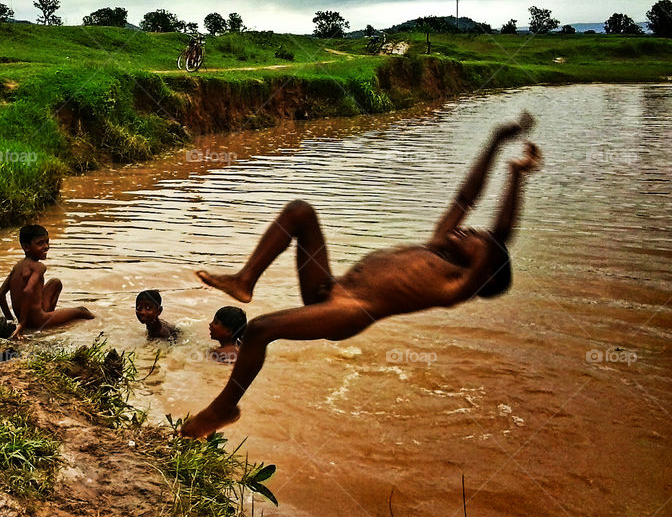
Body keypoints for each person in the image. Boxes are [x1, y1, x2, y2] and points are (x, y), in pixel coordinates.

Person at [181, 114, 540, 438]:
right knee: (300, 212)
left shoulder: (456, 285)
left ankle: (223, 408)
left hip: (348, 312)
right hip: (330, 288)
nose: (469, 231)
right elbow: (466, 197)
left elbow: (502, 233)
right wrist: (495, 139)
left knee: (259, 329)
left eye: (477, 239)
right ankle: (245, 280)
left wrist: (515, 175)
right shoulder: (435, 246)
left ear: (484, 268)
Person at [0, 224, 94, 337]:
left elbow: (0, 294)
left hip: (28, 318)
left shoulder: (18, 266)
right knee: (82, 311)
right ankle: (103, 324)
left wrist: (11, 320)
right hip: (38, 320)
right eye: (40, 243)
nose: (46, 246)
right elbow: (28, 291)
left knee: (55, 283)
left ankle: (48, 319)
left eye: (47, 242)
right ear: (26, 247)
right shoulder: (38, 267)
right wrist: (22, 324)